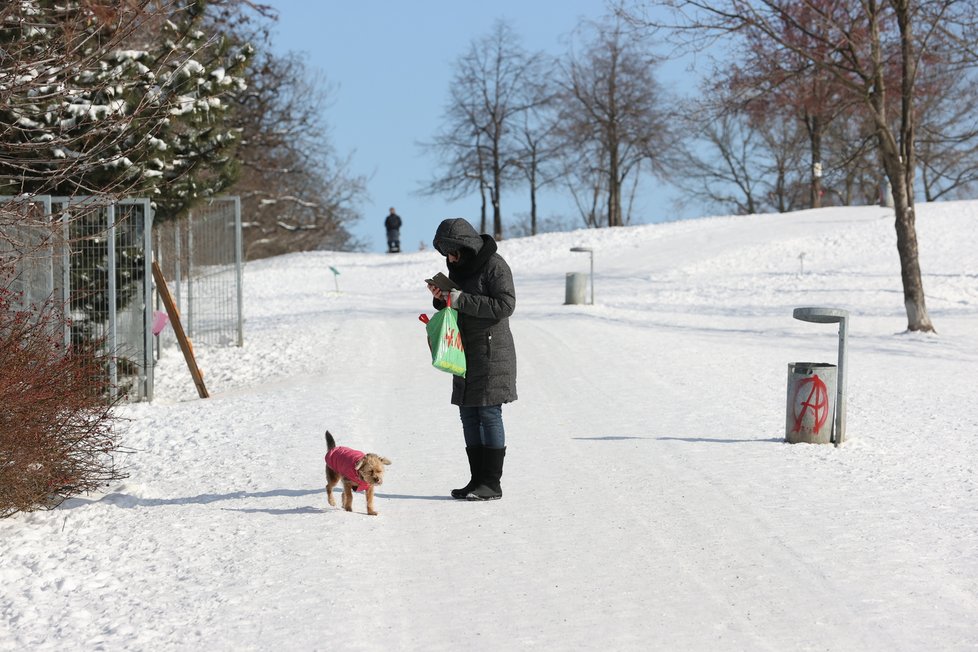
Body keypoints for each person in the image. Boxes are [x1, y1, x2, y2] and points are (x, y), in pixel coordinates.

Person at [427, 218, 517, 501]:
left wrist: (460, 298)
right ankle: (476, 480)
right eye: (447, 255)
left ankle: (491, 483)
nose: (451, 259)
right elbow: (458, 304)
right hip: (464, 351)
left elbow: (506, 305)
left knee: (489, 413)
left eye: (454, 253)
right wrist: (442, 299)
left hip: (491, 351)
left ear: (466, 247)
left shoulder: (495, 265)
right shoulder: (460, 268)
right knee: (468, 414)